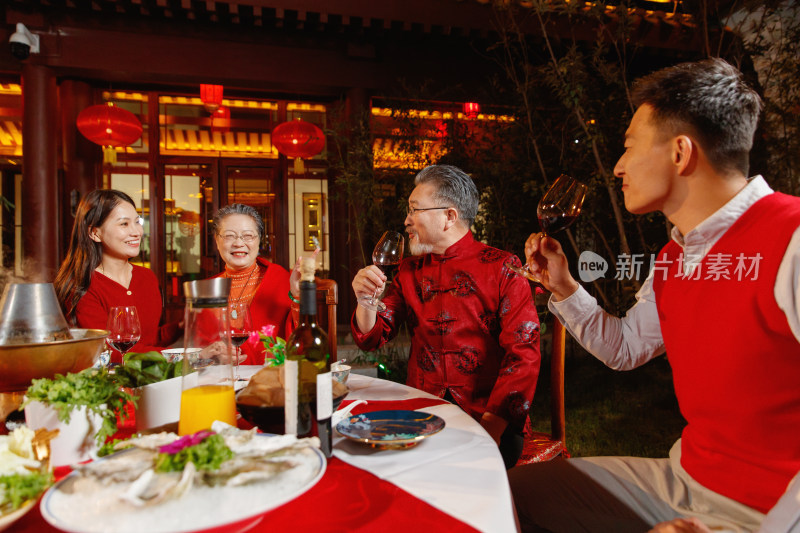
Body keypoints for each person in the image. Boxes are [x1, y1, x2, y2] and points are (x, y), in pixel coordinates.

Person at [509, 58, 800, 532]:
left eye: (628, 147)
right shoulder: (673, 258)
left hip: (772, 512)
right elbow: (625, 349)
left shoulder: (791, 238)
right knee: (510, 496)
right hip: (684, 480)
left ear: (681, 153)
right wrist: (562, 286)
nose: (619, 167)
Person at [350, 164, 541, 468]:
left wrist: (490, 429)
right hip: (421, 415)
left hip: (490, 419)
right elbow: (372, 338)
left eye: (414, 210)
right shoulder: (408, 271)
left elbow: (524, 356)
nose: (406, 221)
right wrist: (365, 301)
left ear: (449, 216)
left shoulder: (503, 267)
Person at [54, 189, 180, 363]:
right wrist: (180, 357)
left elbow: (148, 340)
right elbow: (109, 351)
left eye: (137, 222)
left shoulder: (147, 277)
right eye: (124, 224)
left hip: (150, 381)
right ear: (95, 233)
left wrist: (181, 327)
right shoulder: (83, 285)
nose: (137, 232)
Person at [211, 203, 302, 365]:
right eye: (229, 235)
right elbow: (198, 346)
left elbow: (302, 338)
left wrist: (297, 296)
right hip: (219, 380)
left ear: (259, 240)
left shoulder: (280, 278)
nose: (239, 243)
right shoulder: (208, 288)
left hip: (269, 378)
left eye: (248, 236)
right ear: (217, 240)